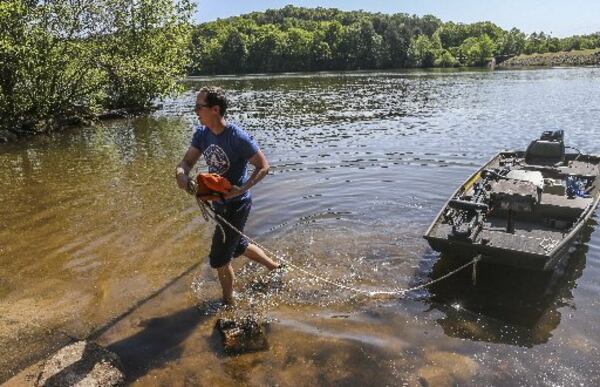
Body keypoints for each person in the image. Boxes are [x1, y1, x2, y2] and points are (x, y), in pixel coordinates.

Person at [175, 86, 281, 305]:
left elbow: (263, 166)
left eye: (199, 107)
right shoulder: (202, 134)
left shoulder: (237, 137)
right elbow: (187, 162)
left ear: (215, 109)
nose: (195, 111)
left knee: (219, 259)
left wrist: (242, 188)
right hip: (218, 203)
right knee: (238, 244)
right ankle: (275, 268)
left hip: (237, 205)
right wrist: (181, 174)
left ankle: (229, 304)